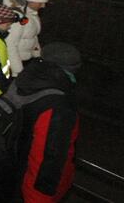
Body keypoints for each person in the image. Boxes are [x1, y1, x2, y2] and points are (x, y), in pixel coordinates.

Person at [5, 42, 81, 203]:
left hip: (8, 171)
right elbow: (47, 159)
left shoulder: (23, 80)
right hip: (27, 188)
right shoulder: (58, 106)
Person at [3, 0, 50, 77]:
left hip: (25, 60)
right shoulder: (18, 18)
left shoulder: (32, 13)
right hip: (14, 65)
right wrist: (18, 72)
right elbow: (10, 45)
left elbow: (33, 36)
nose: (43, 6)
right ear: (31, 0)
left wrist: (37, 55)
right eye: (40, 3)